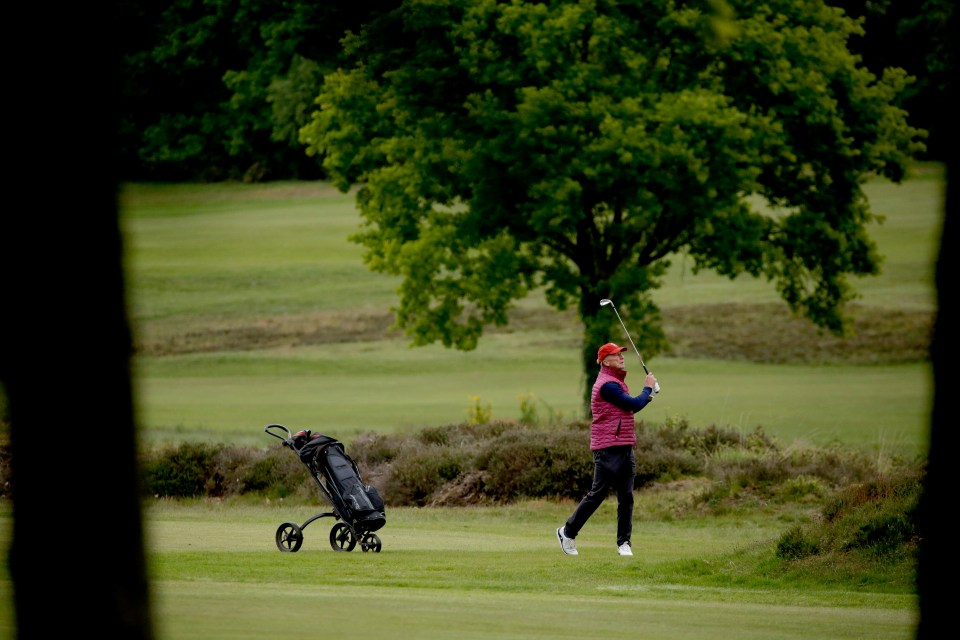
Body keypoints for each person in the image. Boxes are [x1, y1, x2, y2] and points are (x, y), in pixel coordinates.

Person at [557, 342, 658, 557]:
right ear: (605, 361)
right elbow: (632, 405)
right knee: (597, 494)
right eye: (616, 355)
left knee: (626, 496)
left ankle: (624, 543)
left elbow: (627, 409)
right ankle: (567, 532)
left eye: (621, 354)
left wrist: (649, 395)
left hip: (624, 446)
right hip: (607, 448)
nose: (621, 358)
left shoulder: (616, 383)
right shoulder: (607, 385)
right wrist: (648, 387)